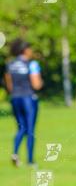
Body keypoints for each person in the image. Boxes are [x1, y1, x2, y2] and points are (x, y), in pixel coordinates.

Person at [4, 39, 43, 167]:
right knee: (30, 129)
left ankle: (15, 153)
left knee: (21, 128)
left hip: (15, 98)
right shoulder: (31, 64)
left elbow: (9, 86)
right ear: (25, 50)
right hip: (28, 99)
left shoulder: (10, 64)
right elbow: (36, 85)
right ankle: (30, 161)